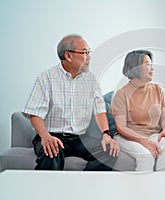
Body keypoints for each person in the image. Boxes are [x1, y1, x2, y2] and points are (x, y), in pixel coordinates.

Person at [23, 34, 119, 170]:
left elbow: (99, 110)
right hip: (52, 135)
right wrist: (45, 136)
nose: (89, 57)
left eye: (89, 52)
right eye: (85, 52)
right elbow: (34, 113)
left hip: (80, 139)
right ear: (68, 56)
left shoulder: (91, 79)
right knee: (51, 153)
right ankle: (46, 191)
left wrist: (106, 134)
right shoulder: (46, 78)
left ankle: (83, 187)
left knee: (110, 151)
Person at [110, 50, 165, 172]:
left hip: (153, 135)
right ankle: (142, 190)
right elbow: (121, 127)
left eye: (152, 64)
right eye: (147, 64)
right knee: (146, 155)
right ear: (135, 67)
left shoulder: (158, 90)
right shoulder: (122, 94)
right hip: (129, 138)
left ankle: (163, 186)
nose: (152, 68)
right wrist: (143, 141)